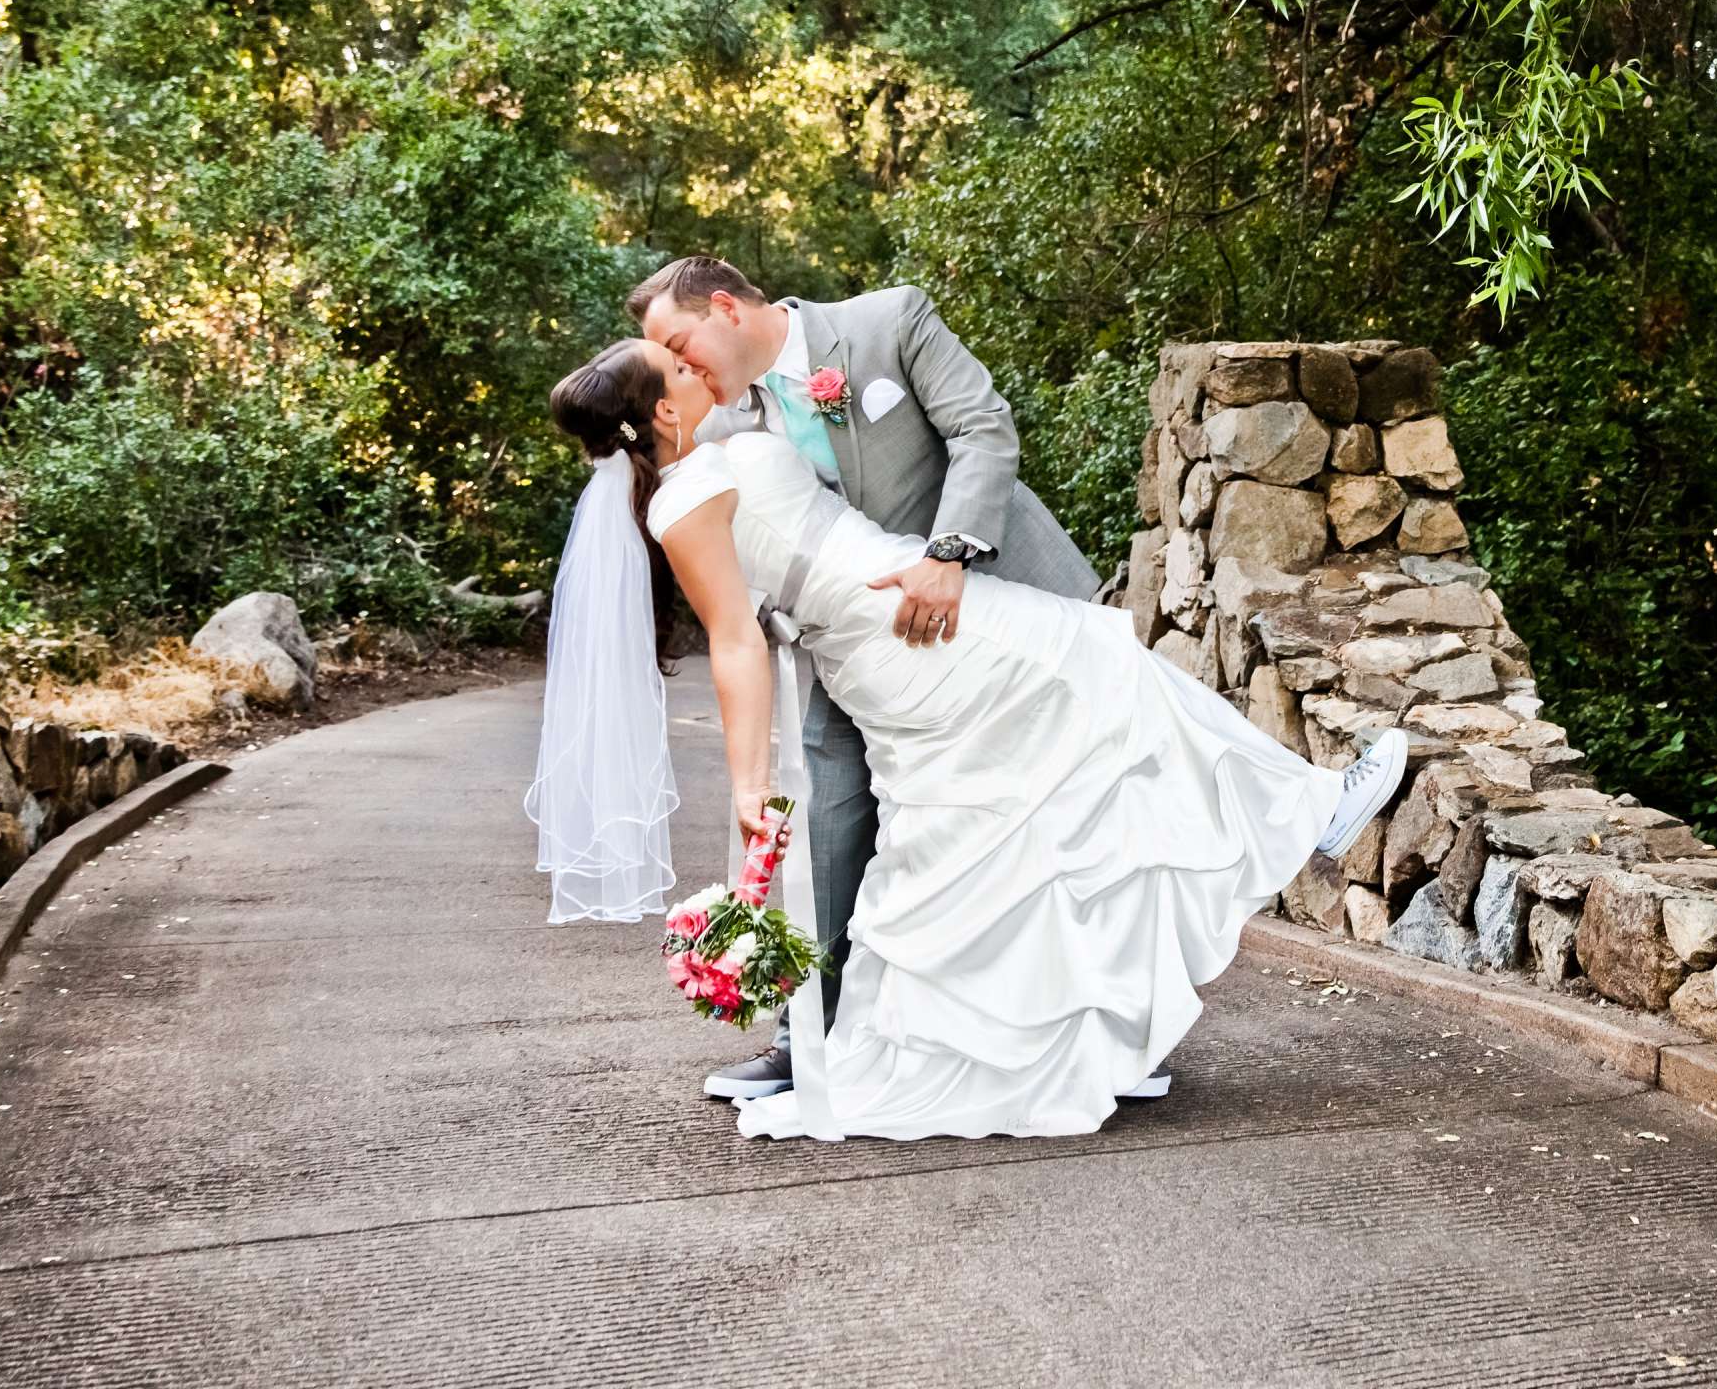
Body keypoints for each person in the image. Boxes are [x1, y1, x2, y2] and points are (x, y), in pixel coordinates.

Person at [542, 336, 1409, 1141]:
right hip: (897, 633)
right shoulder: (685, 500)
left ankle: (1084, 1034)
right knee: (1104, 681)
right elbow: (735, 640)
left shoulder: (706, 457)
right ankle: (1310, 808)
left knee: (989, 826)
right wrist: (744, 788)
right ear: (663, 411)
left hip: (903, 613)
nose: (696, 365)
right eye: (679, 368)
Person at [627, 257, 1109, 1103]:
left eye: (680, 341)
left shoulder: (888, 321)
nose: (684, 363)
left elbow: (983, 431)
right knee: (828, 815)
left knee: (1059, 813)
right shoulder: (719, 422)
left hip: (994, 604)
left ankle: (1100, 1034)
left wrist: (950, 553)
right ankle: (804, 1036)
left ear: (728, 308)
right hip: (861, 653)